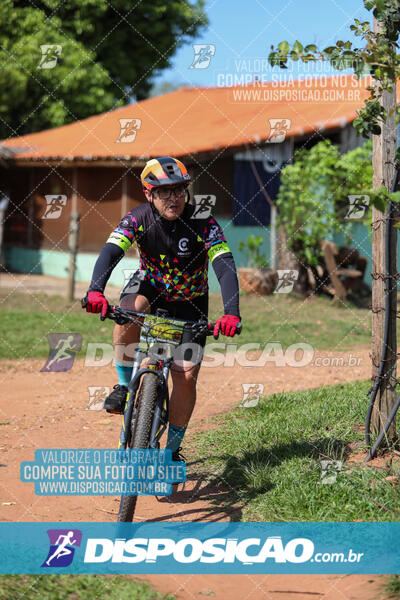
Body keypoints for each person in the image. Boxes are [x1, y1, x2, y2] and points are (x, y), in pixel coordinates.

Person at [84, 156, 241, 460]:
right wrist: (95, 291)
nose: (174, 198)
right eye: (164, 191)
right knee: (129, 308)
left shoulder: (204, 222)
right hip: (150, 288)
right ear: (148, 193)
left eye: (180, 190)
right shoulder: (137, 218)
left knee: (185, 375)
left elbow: (224, 265)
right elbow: (111, 251)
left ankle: (172, 450)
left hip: (191, 301)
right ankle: (122, 384)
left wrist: (231, 312)